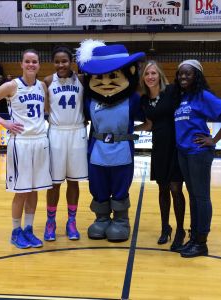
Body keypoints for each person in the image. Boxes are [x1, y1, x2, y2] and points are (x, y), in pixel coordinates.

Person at [76, 40, 145, 242]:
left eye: (113, 75)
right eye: (99, 76)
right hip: (97, 150)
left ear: (129, 72)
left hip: (122, 149)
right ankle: (102, 218)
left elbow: (151, 117)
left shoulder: (132, 100)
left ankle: (121, 220)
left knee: (121, 184)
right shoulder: (89, 100)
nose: (106, 82)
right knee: (98, 185)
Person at [0, 49, 52, 249]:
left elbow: (45, 112)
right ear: (21, 64)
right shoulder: (12, 85)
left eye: (34, 61)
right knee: (21, 191)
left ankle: (28, 229)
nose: (30, 64)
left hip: (40, 142)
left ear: (38, 65)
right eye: (27, 61)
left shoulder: (42, 87)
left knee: (35, 189)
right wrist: (5, 123)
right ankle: (15, 231)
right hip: (21, 143)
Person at [136, 60, 186, 251]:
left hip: (175, 146)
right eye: (147, 74)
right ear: (143, 78)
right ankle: (166, 228)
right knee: (163, 189)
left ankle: (180, 230)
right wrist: (130, 130)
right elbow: (149, 124)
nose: (150, 77)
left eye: (153, 73)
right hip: (158, 147)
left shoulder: (172, 91)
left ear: (160, 75)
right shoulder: (144, 99)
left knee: (175, 188)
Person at [174, 59, 221, 258]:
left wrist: (214, 140)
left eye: (188, 74)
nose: (183, 77)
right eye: (180, 74)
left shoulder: (203, 96)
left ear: (197, 76)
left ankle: (202, 242)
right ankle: (194, 238)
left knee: (201, 197)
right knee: (193, 196)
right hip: (183, 152)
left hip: (198, 152)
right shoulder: (183, 97)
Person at [43, 45, 88, 241]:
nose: (61, 64)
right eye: (57, 61)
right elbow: (45, 110)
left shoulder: (82, 79)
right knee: (54, 183)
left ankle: (72, 221)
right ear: (53, 63)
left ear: (71, 62)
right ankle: (50, 222)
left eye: (64, 61)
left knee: (73, 180)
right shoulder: (46, 81)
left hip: (77, 132)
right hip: (56, 133)